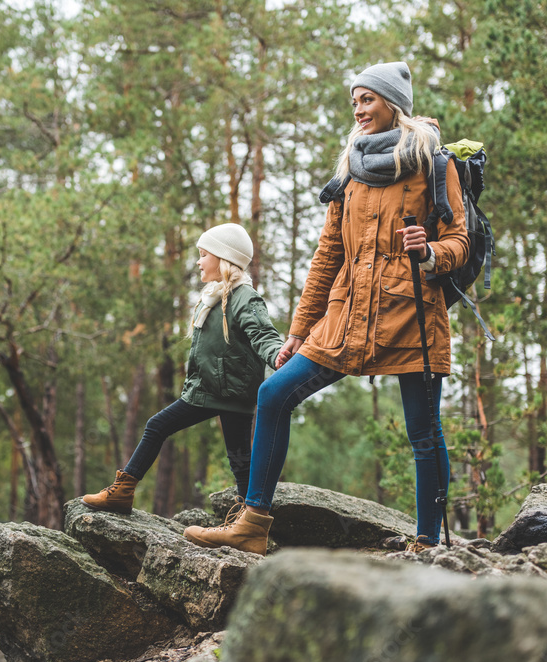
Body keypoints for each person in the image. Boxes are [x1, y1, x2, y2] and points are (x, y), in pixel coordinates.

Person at [184, 62, 469, 556]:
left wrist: (431, 251)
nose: (358, 109)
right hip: (344, 318)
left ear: (393, 103)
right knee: (274, 392)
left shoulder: (434, 165)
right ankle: (253, 523)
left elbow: (460, 242)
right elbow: (326, 258)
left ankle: (428, 542)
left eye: (368, 99)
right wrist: (298, 330)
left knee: (424, 433)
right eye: (355, 100)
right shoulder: (350, 171)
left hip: (411, 316)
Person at [82, 223, 284, 517]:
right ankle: (124, 493)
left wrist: (278, 356)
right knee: (174, 433)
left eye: (203, 255)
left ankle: (248, 520)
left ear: (223, 258)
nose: (198, 261)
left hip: (230, 391)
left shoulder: (244, 297)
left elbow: (264, 334)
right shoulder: (212, 297)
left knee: (229, 455)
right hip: (207, 389)